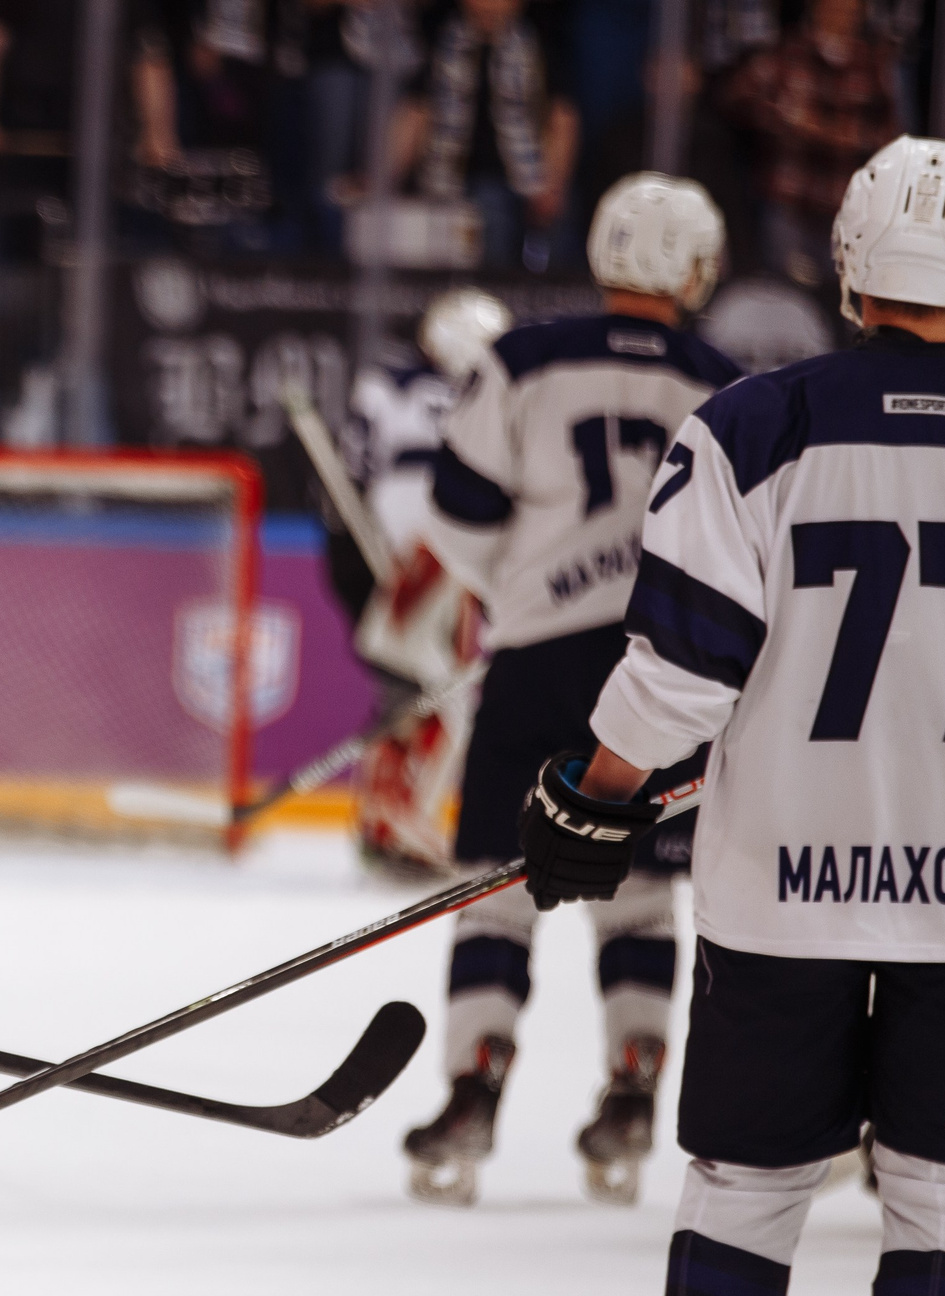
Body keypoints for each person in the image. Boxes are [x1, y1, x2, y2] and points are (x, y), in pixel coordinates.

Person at [520, 136, 945, 1296]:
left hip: (776, 883)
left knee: (747, 1174)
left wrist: (590, 798)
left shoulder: (754, 422)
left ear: (848, 260)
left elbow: (678, 672)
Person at [403, 173, 741, 1209]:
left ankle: (472, 1088)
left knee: (495, 887)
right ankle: (634, 1089)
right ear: (691, 266)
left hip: (536, 655)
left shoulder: (523, 358)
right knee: (638, 893)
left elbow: (456, 516)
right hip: (659, 668)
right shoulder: (725, 385)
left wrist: (523, 589)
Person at [343, 287, 508, 875]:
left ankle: (383, 820)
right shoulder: (493, 396)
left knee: (410, 691)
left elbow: (354, 469)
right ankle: (399, 822)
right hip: (448, 548)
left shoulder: (383, 386)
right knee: (444, 700)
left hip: (400, 548)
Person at [719, 0, 897, 293]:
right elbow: (735, 97)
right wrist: (783, 117)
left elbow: (891, 137)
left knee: (839, 302)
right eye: (834, 5)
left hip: (847, 208)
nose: (842, 11)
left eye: (850, 7)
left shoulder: (874, 63)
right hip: (789, 201)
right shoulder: (787, 52)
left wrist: (834, 132)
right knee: (783, 294)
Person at [390, 0, 580, 272]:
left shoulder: (539, 48)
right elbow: (415, 114)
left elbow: (562, 119)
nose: (489, 6)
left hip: (528, 178)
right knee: (488, 205)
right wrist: (384, 177)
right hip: (451, 182)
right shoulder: (441, 45)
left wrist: (553, 183)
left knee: (557, 218)